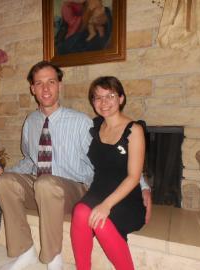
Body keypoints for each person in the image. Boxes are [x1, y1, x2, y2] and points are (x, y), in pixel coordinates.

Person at [0, 61, 152, 270]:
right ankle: (25, 251)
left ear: (60, 85)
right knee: (4, 183)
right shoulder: (30, 122)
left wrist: (143, 186)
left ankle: (53, 259)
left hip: (75, 189)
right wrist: (1, 174)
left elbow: (109, 159)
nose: (46, 88)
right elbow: (30, 160)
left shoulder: (81, 122)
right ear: (32, 89)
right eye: (39, 83)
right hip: (42, 188)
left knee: (46, 184)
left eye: (51, 82)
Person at [71, 76, 147, 270]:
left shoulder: (134, 130)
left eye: (110, 95)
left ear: (121, 98)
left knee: (100, 221)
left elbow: (134, 177)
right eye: (98, 97)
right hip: (98, 191)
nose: (103, 102)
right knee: (80, 211)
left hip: (126, 198)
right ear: (93, 102)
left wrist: (106, 205)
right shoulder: (95, 127)